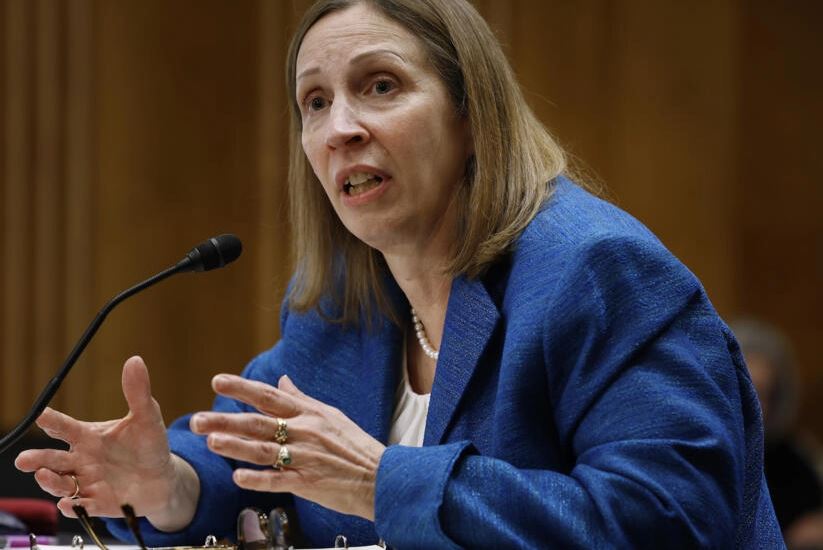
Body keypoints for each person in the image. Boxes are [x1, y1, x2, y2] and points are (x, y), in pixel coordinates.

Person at [14, 0, 783, 547]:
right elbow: (256, 458)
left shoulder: (595, 272)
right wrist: (169, 485)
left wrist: (382, 482)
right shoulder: (339, 311)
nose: (340, 128)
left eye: (379, 85)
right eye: (314, 102)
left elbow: (670, 524)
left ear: (470, 113)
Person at [732, 318, 823, 548]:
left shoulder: (793, 460)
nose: (753, 403)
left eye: (763, 393)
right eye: (746, 387)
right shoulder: (703, 451)